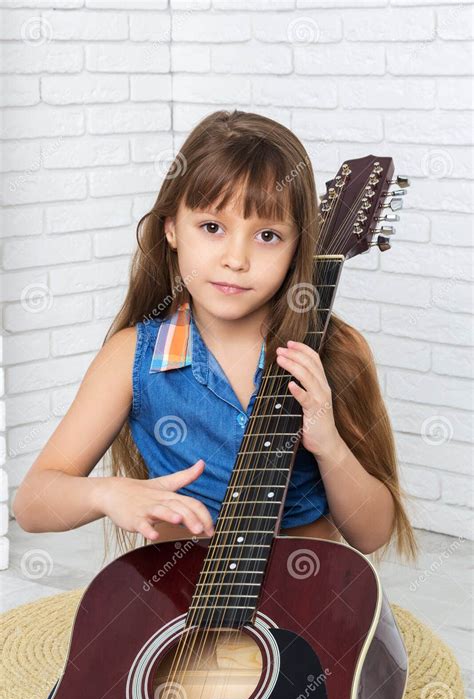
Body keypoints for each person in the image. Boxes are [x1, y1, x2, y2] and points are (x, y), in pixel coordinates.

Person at [13, 110, 417, 564]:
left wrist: (327, 443)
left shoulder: (334, 351)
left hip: (305, 591)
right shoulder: (133, 358)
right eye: (212, 228)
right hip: (182, 595)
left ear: (298, 247)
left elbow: (373, 533)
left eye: (267, 235)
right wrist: (108, 494)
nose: (236, 259)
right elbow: (31, 505)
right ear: (171, 229)